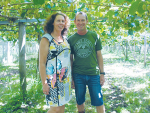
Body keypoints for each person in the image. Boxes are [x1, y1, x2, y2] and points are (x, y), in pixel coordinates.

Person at [68, 12, 105, 113]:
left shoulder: (94, 36)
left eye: (83, 20)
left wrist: (102, 73)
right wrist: (71, 77)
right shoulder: (71, 39)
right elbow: (70, 59)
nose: (80, 22)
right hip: (78, 74)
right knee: (80, 101)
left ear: (87, 21)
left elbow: (99, 56)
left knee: (99, 100)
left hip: (93, 74)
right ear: (75, 22)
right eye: (78, 20)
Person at [39, 12, 72, 113]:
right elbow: (42, 63)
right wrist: (44, 83)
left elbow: (69, 60)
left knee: (62, 106)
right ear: (52, 23)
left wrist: (72, 79)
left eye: (63, 21)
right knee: (55, 109)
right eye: (58, 21)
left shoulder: (66, 40)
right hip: (52, 81)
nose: (61, 23)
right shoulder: (46, 39)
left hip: (65, 79)